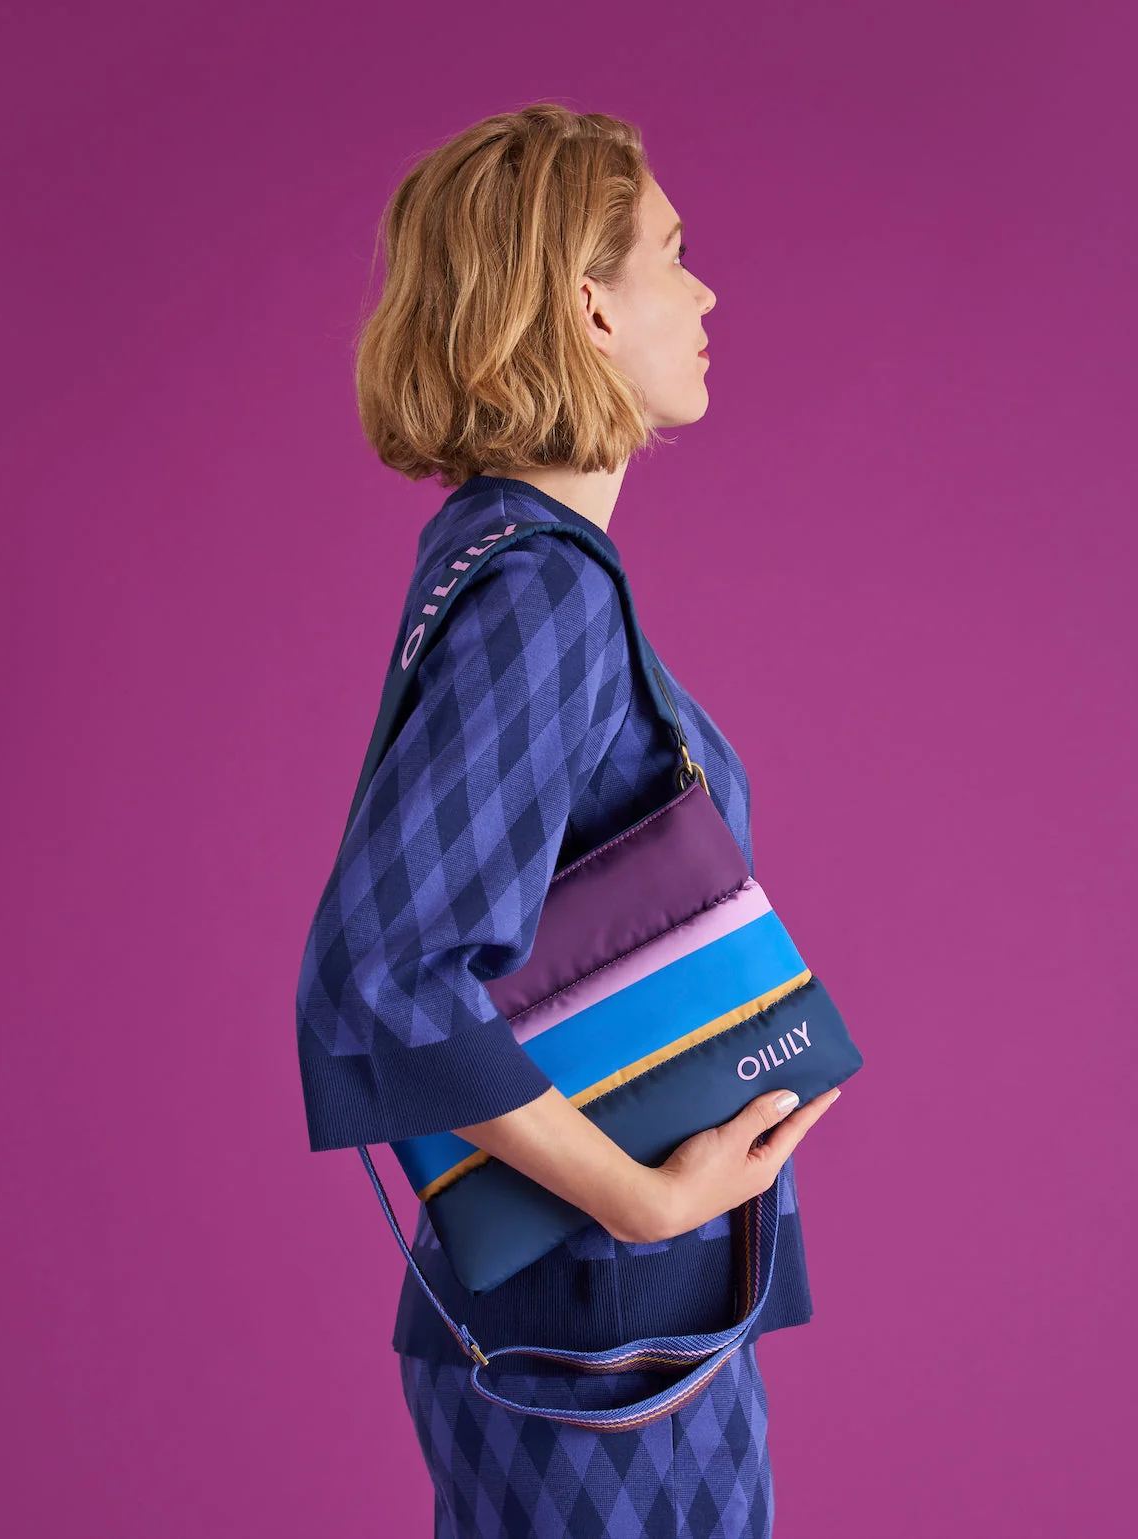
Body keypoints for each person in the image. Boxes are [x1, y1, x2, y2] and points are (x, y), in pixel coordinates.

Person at [295, 101, 842, 1539]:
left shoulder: (503, 563)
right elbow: (383, 970)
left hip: (604, 1337)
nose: (706, 293)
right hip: (603, 1342)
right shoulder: (542, 593)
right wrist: (642, 1203)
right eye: (673, 253)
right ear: (591, 306)